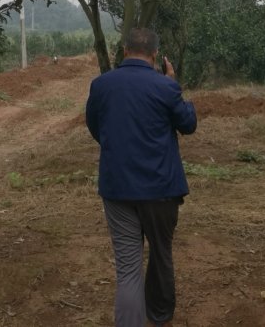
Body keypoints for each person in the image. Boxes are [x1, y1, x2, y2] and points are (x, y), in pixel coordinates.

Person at [85, 27, 197, 327]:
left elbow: (96, 127)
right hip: (161, 190)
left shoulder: (101, 85)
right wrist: (174, 87)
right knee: (161, 255)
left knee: (128, 269)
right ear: (155, 55)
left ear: (123, 51)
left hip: (118, 188)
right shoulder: (165, 87)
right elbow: (188, 124)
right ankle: (159, 318)